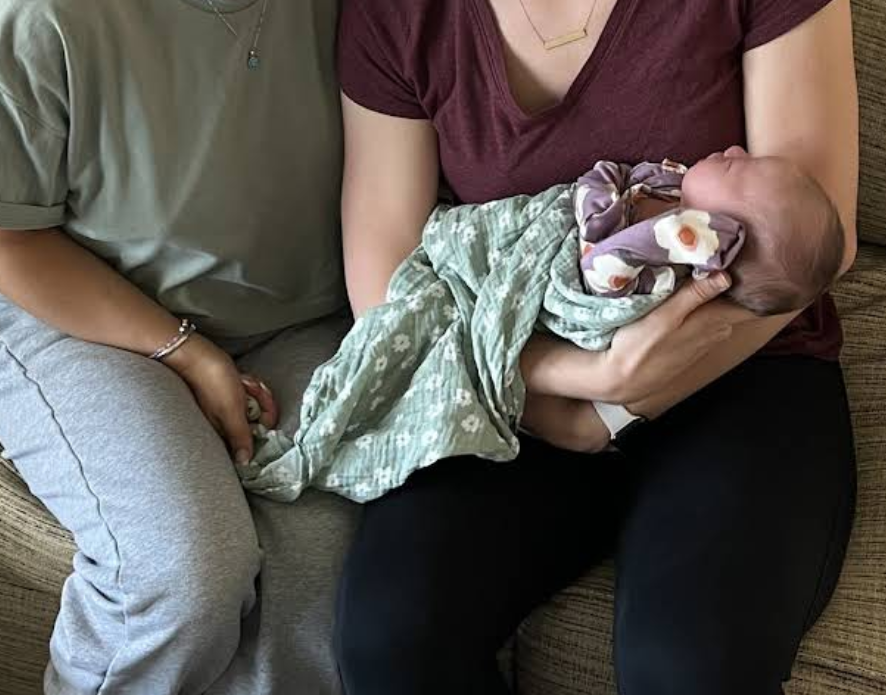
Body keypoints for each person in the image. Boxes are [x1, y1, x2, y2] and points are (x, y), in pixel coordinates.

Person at [332, 0, 867, 694]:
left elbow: (810, 235)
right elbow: (385, 281)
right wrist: (567, 393)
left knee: (689, 666)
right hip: (512, 390)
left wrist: (626, 393)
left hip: (747, 378)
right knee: (384, 641)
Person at [0, 0, 415, 694]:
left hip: (304, 317)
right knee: (185, 574)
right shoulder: (42, 8)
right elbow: (11, 238)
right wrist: (181, 350)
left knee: (332, 595)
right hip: (80, 315)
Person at [239, 147, 845, 505]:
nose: (736, 151)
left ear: (719, 235)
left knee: (688, 654)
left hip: (729, 397)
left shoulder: (671, 245)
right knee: (394, 632)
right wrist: (592, 389)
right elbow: (383, 259)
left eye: (743, 171)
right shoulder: (673, 198)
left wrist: (604, 405)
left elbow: (600, 274)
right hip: (543, 382)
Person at [577, 149, 846, 316]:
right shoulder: (673, 188)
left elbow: (599, 274)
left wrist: (602, 183)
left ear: (715, 231)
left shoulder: (663, 277)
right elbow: (632, 176)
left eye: (733, 167)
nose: (735, 149)